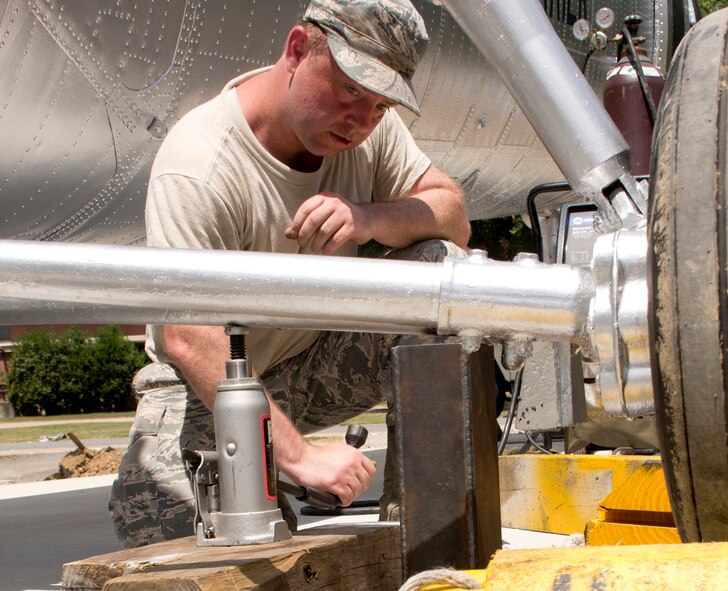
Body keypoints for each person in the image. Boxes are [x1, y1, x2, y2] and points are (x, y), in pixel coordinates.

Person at [109, 0, 470, 548]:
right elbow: (188, 337)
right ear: (298, 50)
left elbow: (453, 215)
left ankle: (415, 538)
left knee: (443, 272)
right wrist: (300, 458)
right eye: (350, 90)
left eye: (380, 104)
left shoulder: (371, 129)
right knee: (166, 530)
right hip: (212, 386)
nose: (362, 121)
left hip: (314, 361)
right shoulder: (201, 163)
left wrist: (368, 218)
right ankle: (267, 488)